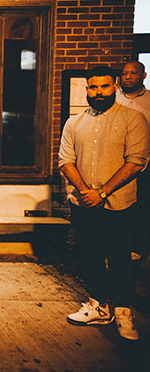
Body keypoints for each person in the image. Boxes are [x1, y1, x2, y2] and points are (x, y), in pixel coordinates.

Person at [59, 65, 149, 341]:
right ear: (87, 89)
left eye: (105, 86)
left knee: (120, 257)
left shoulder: (133, 118)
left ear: (115, 87)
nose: (99, 92)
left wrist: (103, 192)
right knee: (90, 255)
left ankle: (123, 313)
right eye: (94, 87)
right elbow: (65, 161)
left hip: (120, 203)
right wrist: (86, 191)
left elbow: (136, 161)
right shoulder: (74, 122)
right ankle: (97, 305)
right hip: (84, 203)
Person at [116, 61, 150, 268]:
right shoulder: (113, 98)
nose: (127, 77)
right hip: (115, 164)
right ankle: (116, 250)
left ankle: (137, 251)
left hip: (144, 165)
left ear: (143, 75)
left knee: (142, 208)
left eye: (133, 73)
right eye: (124, 73)